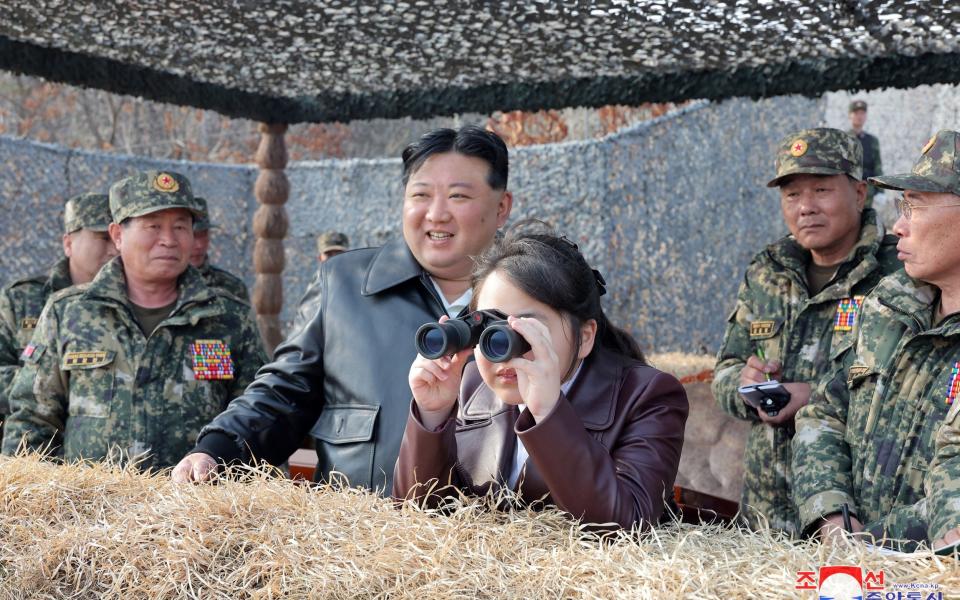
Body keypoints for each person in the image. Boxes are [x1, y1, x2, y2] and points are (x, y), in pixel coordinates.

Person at [172, 126, 514, 492]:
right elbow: (283, 392)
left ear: (501, 208)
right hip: (361, 540)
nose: (436, 214)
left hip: (488, 538)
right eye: (421, 194)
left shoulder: (536, 297)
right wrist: (217, 449)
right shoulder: (345, 285)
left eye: (458, 196)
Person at [392, 227, 688, 529]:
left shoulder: (649, 396)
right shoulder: (471, 384)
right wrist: (432, 415)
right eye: (490, 334)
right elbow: (417, 525)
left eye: (524, 331)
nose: (505, 353)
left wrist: (549, 413)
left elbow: (627, 527)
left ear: (584, 337)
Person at [1, 171, 267, 469]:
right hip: (91, 510)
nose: (168, 240)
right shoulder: (69, 312)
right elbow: (32, 420)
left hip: (194, 510)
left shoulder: (229, 317)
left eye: (180, 227)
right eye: (153, 226)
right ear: (117, 235)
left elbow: (258, 419)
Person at [712, 128, 900, 535]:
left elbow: (909, 393)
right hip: (764, 525)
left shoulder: (897, 274)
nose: (806, 208)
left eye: (821, 190)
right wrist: (747, 387)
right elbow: (724, 369)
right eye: (792, 195)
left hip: (856, 523)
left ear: (860, 193)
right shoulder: (768, 272)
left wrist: (815, 398)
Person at [793, 130, 960, 549]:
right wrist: (832, 517)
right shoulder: (886, 308)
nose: (899, 226)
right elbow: (824, 413)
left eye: (914, 207)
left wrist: (871, 545)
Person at [0, 193, 116, 432]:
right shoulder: (22, 299)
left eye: (120, 238)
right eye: (104, 238)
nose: (114, 249)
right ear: (68, 243)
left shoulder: (142, 302)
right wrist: (60, 389)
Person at [190, 196, 250, 301]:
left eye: (203, 235)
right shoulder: (160, 287)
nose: (199, 245)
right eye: (193, 235)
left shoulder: (232, 287)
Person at [847, 100, 882, 207]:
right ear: (850, 115)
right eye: (856, 113)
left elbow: (877, 166)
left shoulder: (872, 140)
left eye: (862, 113)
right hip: (848, 189)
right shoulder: (843, 139)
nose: (859, 116)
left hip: (867, 190)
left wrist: (880, 190)